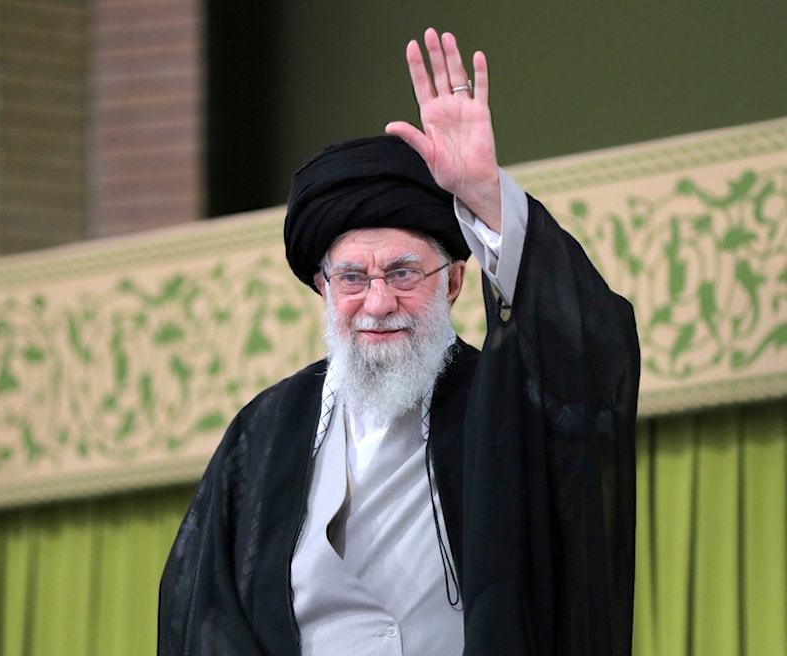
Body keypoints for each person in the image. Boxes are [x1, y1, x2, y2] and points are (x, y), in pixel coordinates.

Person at [158, 27, 639, 656]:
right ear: (322, 288)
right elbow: (203, 615)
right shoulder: (266, 432)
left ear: (456, 281)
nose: (378, 301)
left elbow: (592, 359)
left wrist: (485, 196)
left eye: (403, 273)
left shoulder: (508, 398)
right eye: (353, 278)